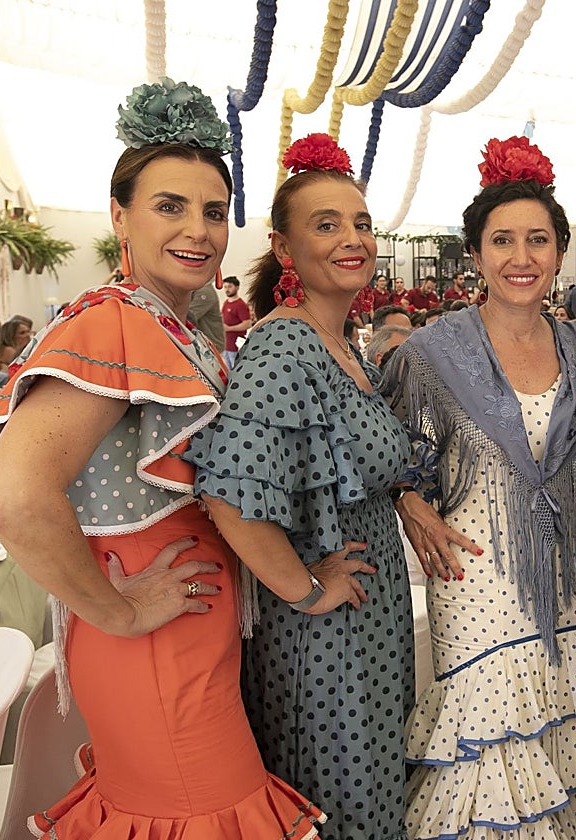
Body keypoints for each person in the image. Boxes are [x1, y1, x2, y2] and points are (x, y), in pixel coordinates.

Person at [0, 78, 325, 839]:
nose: (198, 230)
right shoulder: (114, 323)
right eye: (170, 206)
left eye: (214, 212)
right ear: (119, 215)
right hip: (156, 644)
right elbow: (10, 497)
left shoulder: (169, 327)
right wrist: (120, 611)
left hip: (183, 637)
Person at [185, 132, 413, 840]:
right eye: (327, 224)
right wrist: (307, 589)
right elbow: (225, 491)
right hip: (325, 635)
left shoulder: (340, 344)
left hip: (368, 614)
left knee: (374, 790)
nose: (353, 239)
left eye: (361, 224)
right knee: (343, 801)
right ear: (285, 248)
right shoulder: (284, 344)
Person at [383, 135, 576, 840]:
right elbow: (390, 459)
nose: (521, 257)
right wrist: (409, 501)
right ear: (475, 255)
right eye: (502, 240)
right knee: (485, 760)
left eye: (538, 239)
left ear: (559, 254)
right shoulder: (429, 353)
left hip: (574, 582)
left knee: (561, 747)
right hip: (475, 577)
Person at [221, 275, 252, 367]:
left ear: (237, 287)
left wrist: (229, 328)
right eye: (225, 287)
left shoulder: (240, 305)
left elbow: (247, 324)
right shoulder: (226, 303)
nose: (227, 289)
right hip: (226, 345)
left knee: (235, 369)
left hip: (235, 347)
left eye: (230, 286)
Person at [187, 276, 225, 346]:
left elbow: (190, 317)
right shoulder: (200, 290)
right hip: (205, 343)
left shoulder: (204, 292)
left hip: (209, 344)